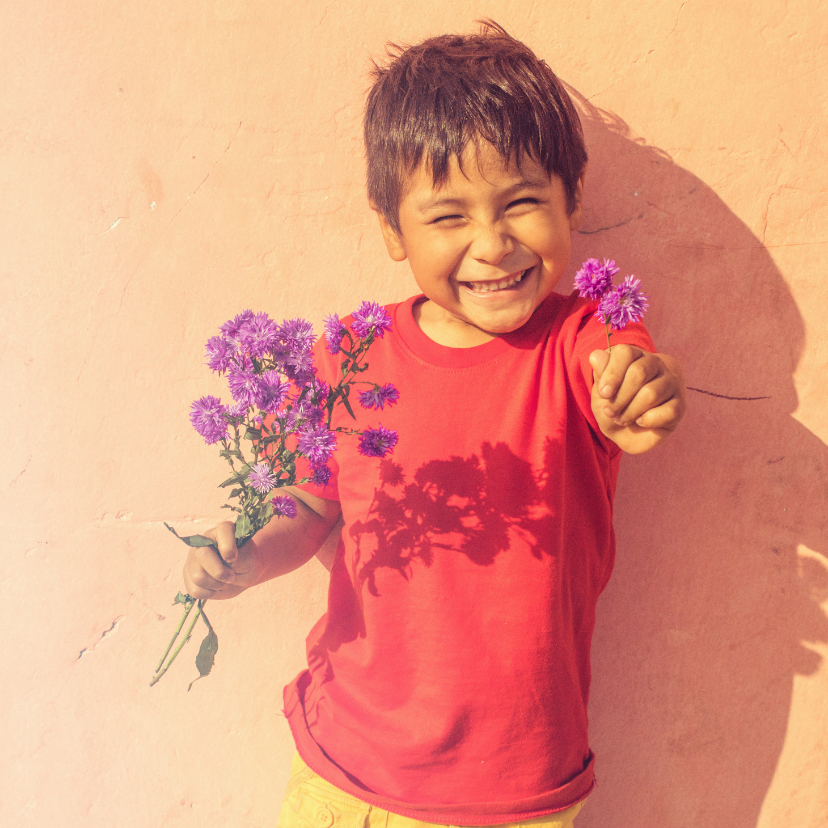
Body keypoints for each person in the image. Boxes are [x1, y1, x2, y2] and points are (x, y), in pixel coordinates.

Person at [183, 20, 686, 828]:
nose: (492, 244)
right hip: (341, 771)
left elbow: (633, 387)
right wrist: (243, 559)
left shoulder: (583, 337)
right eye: (448, 217)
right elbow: (307, 507)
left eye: (523, 203)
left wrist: (646, 394)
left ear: (572, 202)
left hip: (514, 792)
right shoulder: (346, 357)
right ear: (392, 229)